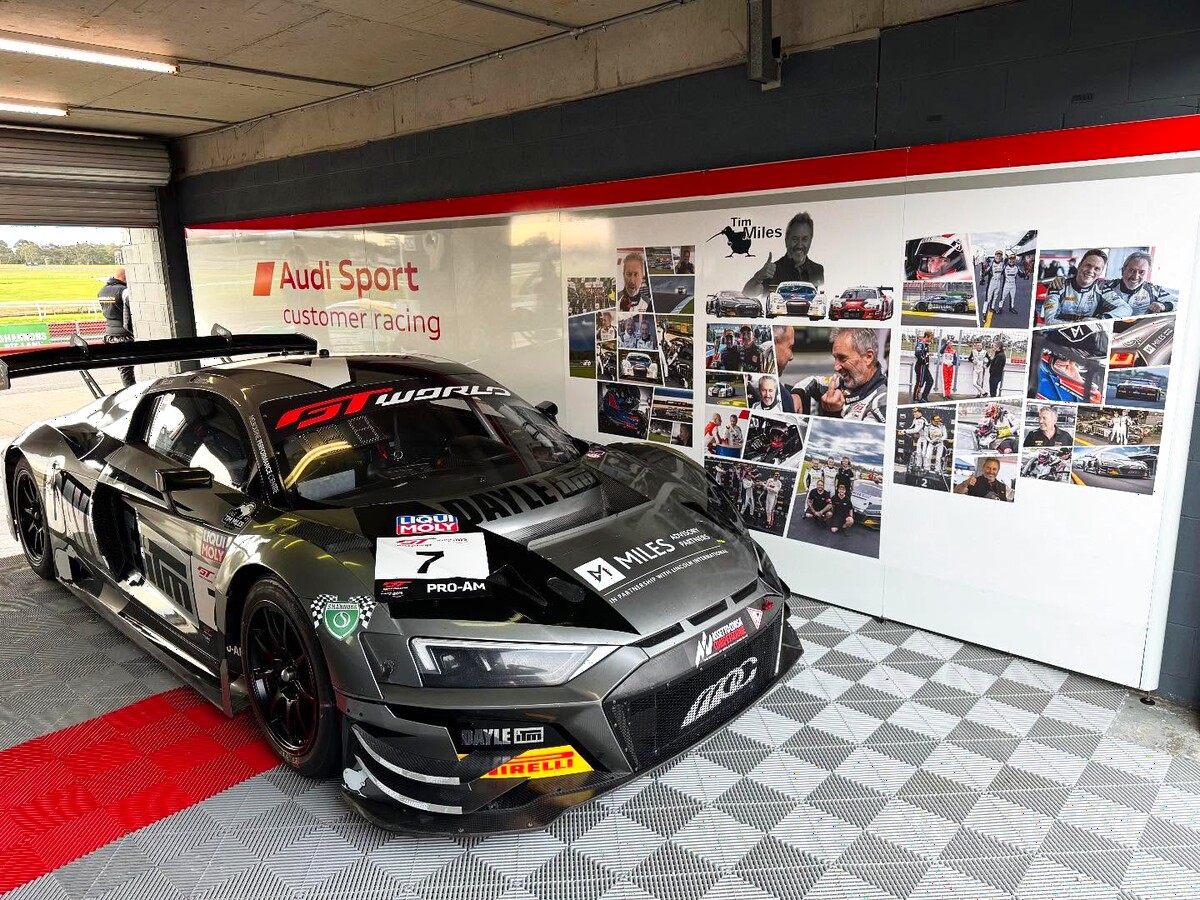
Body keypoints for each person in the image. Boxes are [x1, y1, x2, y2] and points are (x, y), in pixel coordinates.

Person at [793, 328, 888, 422]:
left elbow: (851, 433)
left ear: (868, 357)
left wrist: (833, 414)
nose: (836, 367)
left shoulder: (882, 403)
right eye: (835, 358)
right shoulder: (845, 382)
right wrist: (797, 394)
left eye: (843, 358)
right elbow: (813, 381)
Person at [743, 211, 825, 296]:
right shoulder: (772, 271)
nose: (799, 245)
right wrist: (758, 277)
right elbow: (746, 294)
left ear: (810, 241)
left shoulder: (818, 270)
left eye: (805, 239)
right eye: (795, 239)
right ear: (786, 240)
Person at [1041, 249, 1113, 324]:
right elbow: (1050, 321)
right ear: (1079, 266)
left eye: (1097, 269)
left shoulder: (1103, 290)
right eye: (1088, 265)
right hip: (1060, 331)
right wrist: (1084, 324)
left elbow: (1121, 309)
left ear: (1100, 273)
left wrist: (1101, 320)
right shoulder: (1058, 286)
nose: (1091, 271)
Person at [1097, 251, 1177, 317]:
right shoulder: (1105, 286)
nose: (1135, 276)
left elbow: (1180, 303)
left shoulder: (1154, 290)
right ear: (1123, 270)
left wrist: (1165, 306)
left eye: (1142, 272)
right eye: (1131, 271)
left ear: (1147, 273)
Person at [98, 267, 135, 388]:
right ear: (125, 277)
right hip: (124, 336)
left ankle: (130, 390)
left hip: (109, 335)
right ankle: (131, 393)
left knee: (124, 369)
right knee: (126, 370)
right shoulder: (124, 291)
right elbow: (128, 317)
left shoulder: (102, 291)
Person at [912, 330, 933, 402]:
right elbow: (917, 353)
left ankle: (924, 398)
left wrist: (928, 354)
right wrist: (923, 360)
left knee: (930, 381)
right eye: (931, 338)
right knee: (919, 383)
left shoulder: (925, 344)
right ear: (926, 336)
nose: (931, 339)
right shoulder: (921, 343)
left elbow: (923, 353)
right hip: (921, 367)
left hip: (925, 367)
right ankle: (915, 399)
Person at [984, 249, 1004, 318]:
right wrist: (984, 270)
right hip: (991, 282)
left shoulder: (1002, 264)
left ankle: (992, 308)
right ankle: (984, 313)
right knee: (988, 298)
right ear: (995, 256)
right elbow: (984, 273)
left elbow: (1003, 273)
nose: (998, 257)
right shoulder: (991, 264)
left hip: (998, 282)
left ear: (1001, 257)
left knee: (995, 297)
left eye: (1000, 256)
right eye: (997, 256)